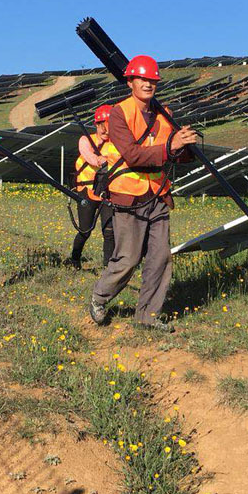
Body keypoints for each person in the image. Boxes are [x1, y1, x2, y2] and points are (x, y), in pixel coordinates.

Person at [86, 55, 198, 331]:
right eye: (143, 79)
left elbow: (178, 156)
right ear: (131, 82)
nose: (148, 84)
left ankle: (148, 316)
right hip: (128, 197)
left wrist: (186, 147)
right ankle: (100, 297)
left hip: (158, 194)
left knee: (161, 257)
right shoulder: (119, 113)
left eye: (152, 80)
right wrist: (170, 147)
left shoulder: (165, 114)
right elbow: (133, 155)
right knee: (129, 258)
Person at [68, 104, 116, 268]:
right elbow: (89, 156)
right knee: (85, 230)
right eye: (101, 125)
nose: (105, 130)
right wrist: (100, 160)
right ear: (96, 125)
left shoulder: (116, 143)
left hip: (107, 193)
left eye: (109, 125)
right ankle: (75, 259)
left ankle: (108, 267)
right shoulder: (86, 140)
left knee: (109, 231)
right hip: (87, 192)